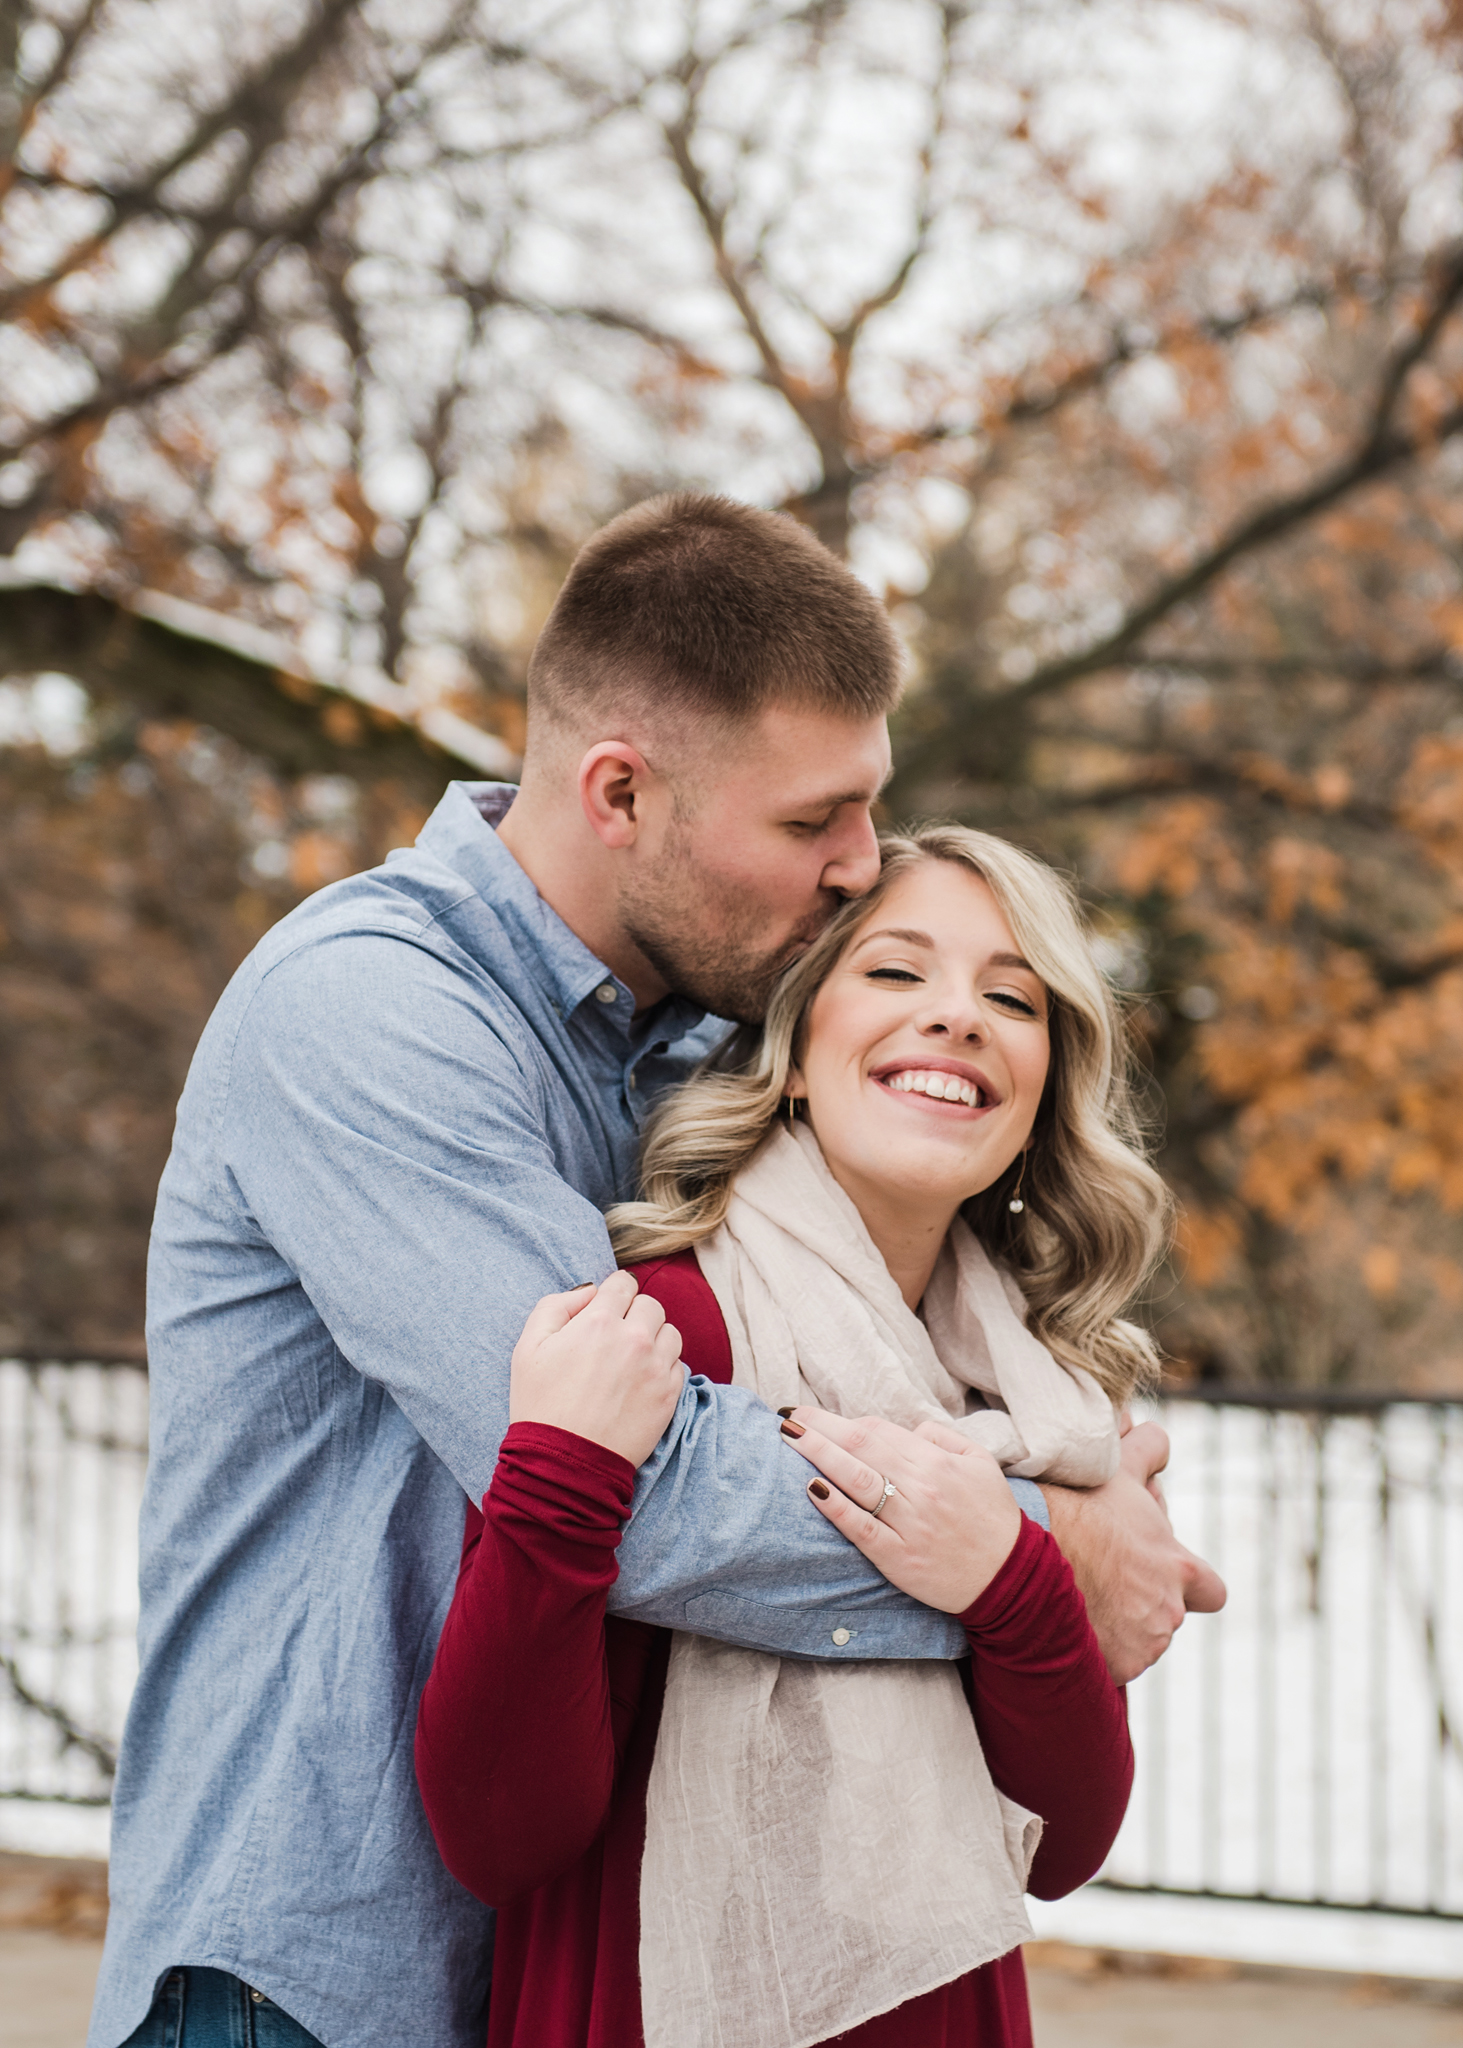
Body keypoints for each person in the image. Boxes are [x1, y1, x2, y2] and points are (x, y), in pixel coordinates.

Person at [90, 495, 1223, 2048]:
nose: (856, 867)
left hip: (555, 1951)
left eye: (866, 806)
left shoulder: (690, 1052)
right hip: (316, 1966)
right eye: (808, 820)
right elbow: (654, 1489)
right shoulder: (366, 1015)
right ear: (618, 790)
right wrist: (1040, 1556)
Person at [416, 825, 1165, 2047]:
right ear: (797, 1051)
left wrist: (1012, 1578)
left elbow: (1062, 1841)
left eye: (1008, 996)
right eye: (895, 971)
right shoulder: (654, 1331)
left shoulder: (1038, 1401)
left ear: (1039, 1092)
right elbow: (501, 1834)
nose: (957, 1016)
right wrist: (556, 1486)